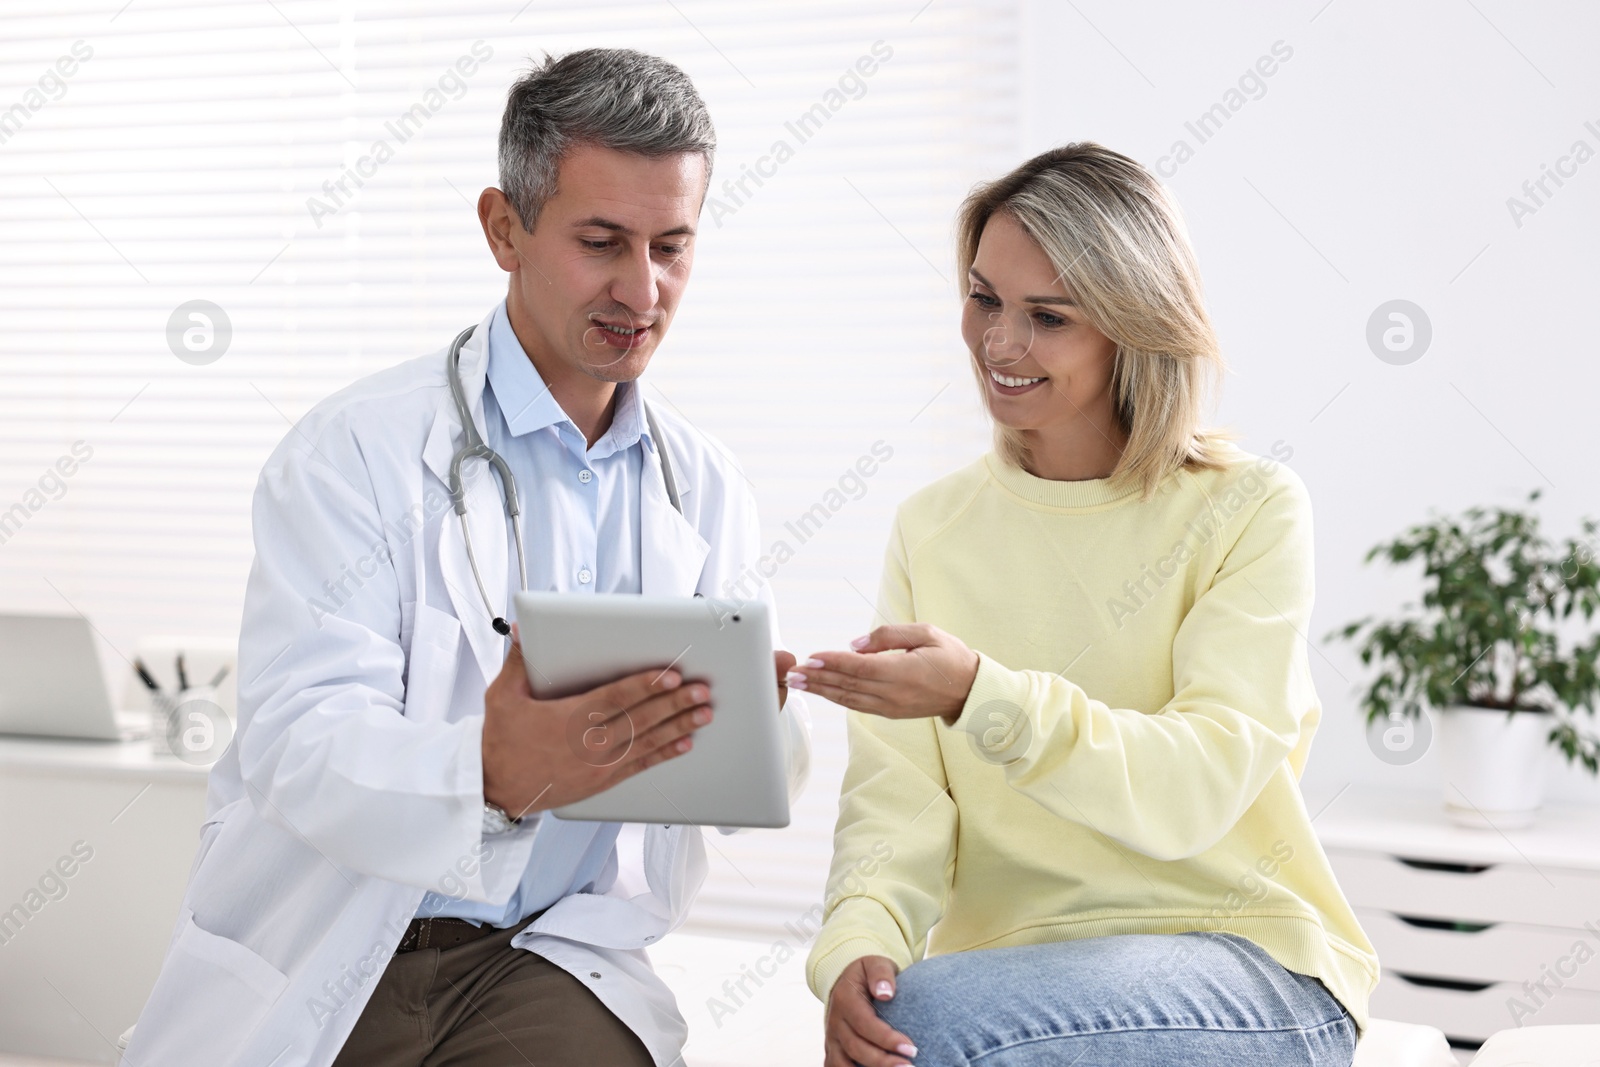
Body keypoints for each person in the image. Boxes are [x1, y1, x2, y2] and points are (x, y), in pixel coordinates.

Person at [123, 48, 810, 1067]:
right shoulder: (353, 450)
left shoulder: (701, 487)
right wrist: (486, 771)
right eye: (601, 240)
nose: (642, 287)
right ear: (504, 227)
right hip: (337, 942)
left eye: (672, 244)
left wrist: (763, 724)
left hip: (540, 956)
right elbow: (296, 739)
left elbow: (748, 787)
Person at [788, 143, 1376, 1067]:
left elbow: (1200, 786)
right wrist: (862, 943)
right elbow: (895, 801)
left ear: (1131, 326)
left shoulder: (1248, 507)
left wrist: (982, 696)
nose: (998, 343)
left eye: (1047, 316)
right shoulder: (933, 529)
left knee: (933, 1028)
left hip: (1248, 966)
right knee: (895, 1023)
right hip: (1028, 988)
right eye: (983, 298)